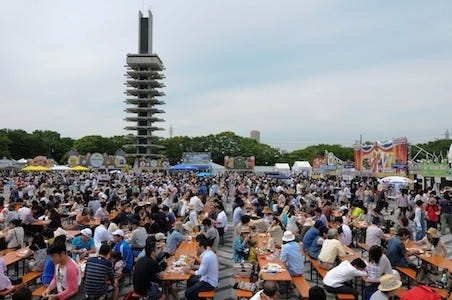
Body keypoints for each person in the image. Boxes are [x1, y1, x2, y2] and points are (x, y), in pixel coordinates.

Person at [184, 234, 219, 300]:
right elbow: (204, 267)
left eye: (197, 247)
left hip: (209, 282)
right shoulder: (208, 253)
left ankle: (195, 295)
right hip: (209, 278)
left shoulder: (206, 257)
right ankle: (196, 294)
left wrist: (189, 271)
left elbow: (200, 272)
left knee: (187, 293)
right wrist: (193, 266)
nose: (196, 248)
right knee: (190, 280)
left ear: (202, 246)